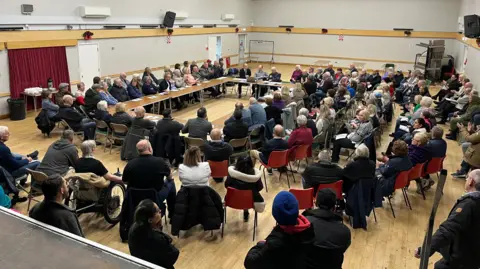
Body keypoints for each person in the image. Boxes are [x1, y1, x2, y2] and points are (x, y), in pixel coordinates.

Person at [415, 169, 480, 269]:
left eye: (467, 178)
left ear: (471, 182)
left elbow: (448, 229)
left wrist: (427, 249)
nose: (466, 180)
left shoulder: (469, 205)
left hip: (463, 257)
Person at [244, 191, 315, 269]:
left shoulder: (275, 243)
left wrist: (261, 244)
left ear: (275, 214)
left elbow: (249, 262)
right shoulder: (309, 230)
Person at [123, 140, 176, 217]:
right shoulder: (160, 162)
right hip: (155, 197)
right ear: (150, 149)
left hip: (135, 197)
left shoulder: (130, 164)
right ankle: (172, 213)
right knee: (171, 182)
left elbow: (124, 181)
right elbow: (170, 177)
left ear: (138, 151)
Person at [302, 189, 351, 269]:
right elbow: (343, 248)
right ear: (334, 207)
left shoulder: (304, 224)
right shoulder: (344, 232)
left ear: (316, 203)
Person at [128, 199, 179, 269]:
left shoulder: (133, 229)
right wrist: (160, 231)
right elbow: (174, 253)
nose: (160, 211)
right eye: (158, 211)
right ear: (150, 220)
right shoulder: (157, 239)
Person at [225, 156, 264, 221]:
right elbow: (260, 188)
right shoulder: (255, 178)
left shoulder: (231, 176)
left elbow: (226, 185)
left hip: (232, 200)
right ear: (251, 165)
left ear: (237, 164)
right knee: (248, 196)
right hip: (250, 201)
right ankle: (246, 211)